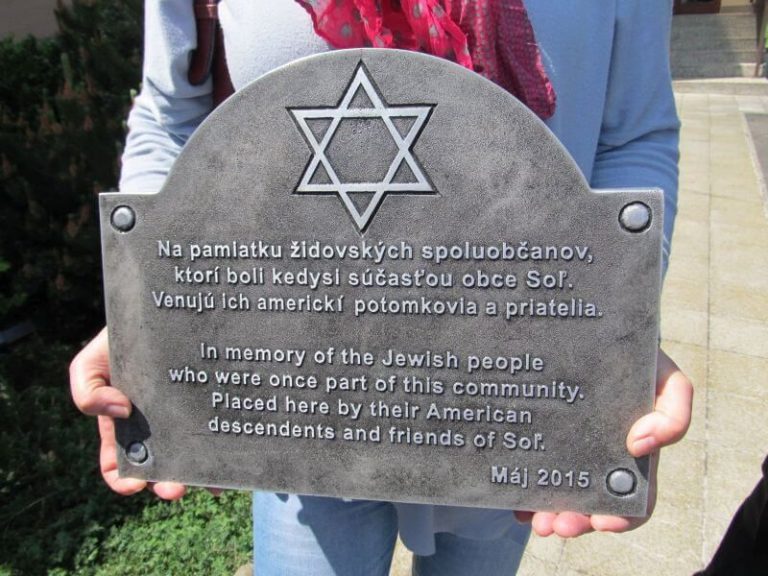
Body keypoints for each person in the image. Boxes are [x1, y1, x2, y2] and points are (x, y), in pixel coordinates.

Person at [70, 2, 694, 575]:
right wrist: (143, 317)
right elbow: (171, 117)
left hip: (508, 396)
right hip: (292, 399)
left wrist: (619, 331)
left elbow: (631, 138)